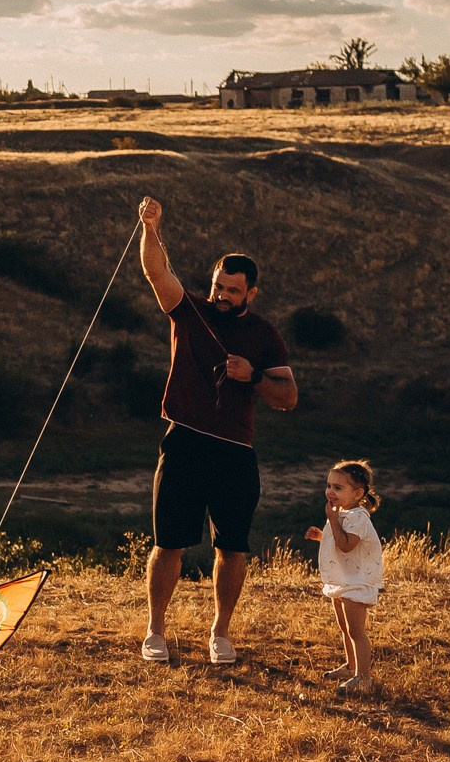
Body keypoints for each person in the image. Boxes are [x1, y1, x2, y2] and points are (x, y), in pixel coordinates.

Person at [135, 197, 297, 664]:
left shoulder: (265, 335)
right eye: (217, 286)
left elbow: (287, 397)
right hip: (183, 442)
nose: (221, 295)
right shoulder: (189, 311)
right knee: (169, 543)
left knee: (232, 547)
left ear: (251, 294)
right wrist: (151, 229)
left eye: (232, 290)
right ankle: (156, 631)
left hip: (234, 451)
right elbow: (156, 273)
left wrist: (254, 377)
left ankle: (220, 634)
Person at [306, 459, 384, 695]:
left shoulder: (357, 518)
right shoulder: (342, 513)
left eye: (338, 488)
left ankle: (363, 677)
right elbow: (338, 542)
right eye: (329, 485)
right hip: (343, 578)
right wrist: (321, 536)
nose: (330, 491)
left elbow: (347, 545)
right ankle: (351, 667)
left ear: (358, 493)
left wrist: (332, 520)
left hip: (356, 581)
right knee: (344, 626)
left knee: (356, 631)